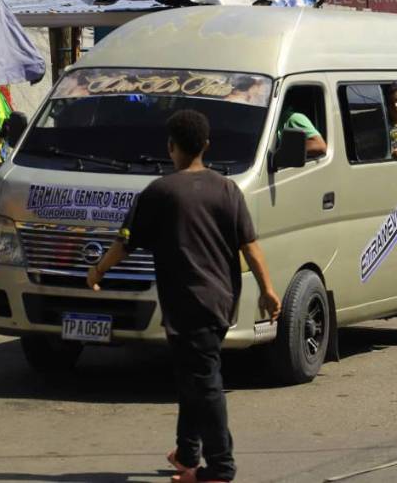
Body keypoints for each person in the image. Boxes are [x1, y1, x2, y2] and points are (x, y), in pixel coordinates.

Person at [87, 110, 282, 483]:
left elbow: (123, 244)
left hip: (188, 304)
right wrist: (269, 290)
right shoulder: (228, 189)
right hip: (221, 301)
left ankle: (220, 468)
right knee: (193, 375)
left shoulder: (160, 192)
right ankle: (188, 450)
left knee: (204, 381)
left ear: (170, 146)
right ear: (206, 146)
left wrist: (97, 272)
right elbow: (250, 246)